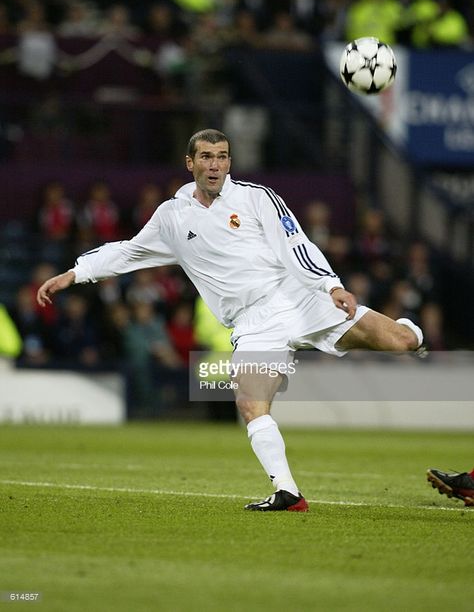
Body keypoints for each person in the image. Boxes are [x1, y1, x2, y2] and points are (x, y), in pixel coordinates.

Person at [37, 128, 425, 512]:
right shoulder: (171, 216)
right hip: (254, 323)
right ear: (190, 163)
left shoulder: (256, 198)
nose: (215, 165)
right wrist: (75, 273)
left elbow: (296, 243)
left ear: (230, 163)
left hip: (299, 296)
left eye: (222, 156)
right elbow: (129, 252)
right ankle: (288, 492)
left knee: (401, 343)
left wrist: (330, 285)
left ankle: (412, 329)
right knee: (251, 403)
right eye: (206, 157)